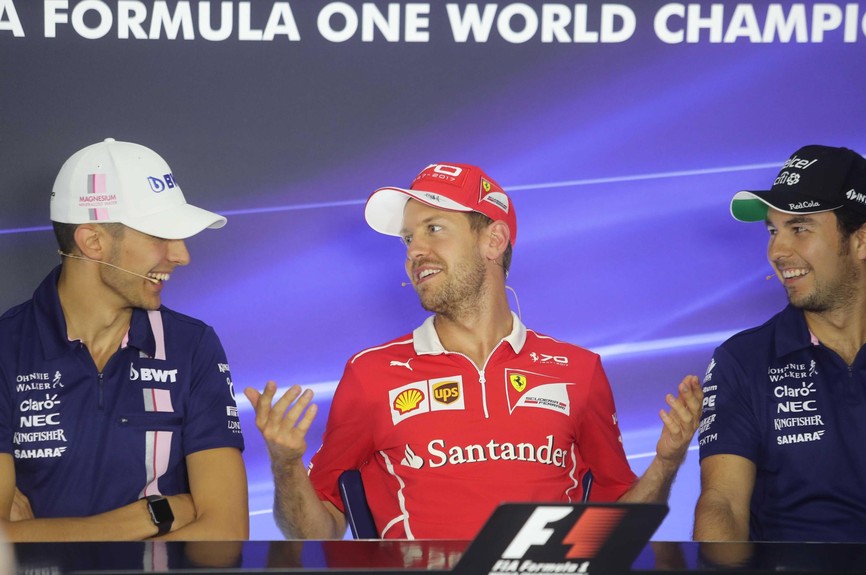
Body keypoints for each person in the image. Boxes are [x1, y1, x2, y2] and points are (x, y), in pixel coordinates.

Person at [247, 162, 702, 540]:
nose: (415, 251)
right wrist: (285, 464)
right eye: (408, 238)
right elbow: (314, 534)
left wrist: (666, 462)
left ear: (493, 240)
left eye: (434, 229)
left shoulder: (579, 370)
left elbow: (621, 529)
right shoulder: (371, 373)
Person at [0, 138, 248, 541]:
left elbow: (226, 532)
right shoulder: (5, 348)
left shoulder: (193, 346)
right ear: (93, 242)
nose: (182, 255)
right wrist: (153, 516)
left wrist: (36, 537)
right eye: (160, 235)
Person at [694, 145, 866, 542]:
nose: (776, 252)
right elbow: (721, 502)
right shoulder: (741, 361)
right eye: (773, 231)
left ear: (862, 240)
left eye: (800, 228)